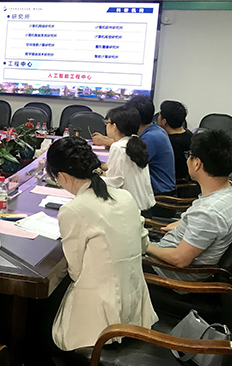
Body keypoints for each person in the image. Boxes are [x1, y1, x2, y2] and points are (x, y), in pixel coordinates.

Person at [46, 136, 158, 351]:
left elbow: (75, 272)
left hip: (100, 322)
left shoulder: (74, 209)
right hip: (136, 309)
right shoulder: (125, 196)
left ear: (62, 176)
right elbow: (143, 244)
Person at [147, 130, 232, 281]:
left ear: (197, 163)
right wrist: (183, 224)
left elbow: (179, 260)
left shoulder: (208, 213)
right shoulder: (225, 192)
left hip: (169, 273)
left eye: (189, 156)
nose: (187, 160)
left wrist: (144, 245)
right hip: (170, 251)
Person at [94, 96, 176, 198]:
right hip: (150, 192)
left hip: (159, 194)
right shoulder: (155, 130)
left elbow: (115, 176)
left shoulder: (150, 138)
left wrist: (96, 169)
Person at [100, 105, 155, 211]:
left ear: (114, 126)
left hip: (131, 208)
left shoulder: (118, 147)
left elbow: (115, 182)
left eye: (107, 122)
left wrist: (93, 179)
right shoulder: (135, 143)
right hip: (144, 205)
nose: (106, 126)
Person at [157, 100, 193, 181]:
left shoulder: (166, 142)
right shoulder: (190, 135)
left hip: (170, 181)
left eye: (159, 115)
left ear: (164, 121)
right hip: (187, 181)